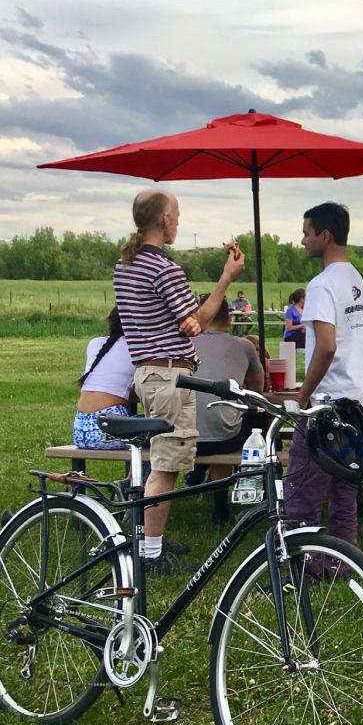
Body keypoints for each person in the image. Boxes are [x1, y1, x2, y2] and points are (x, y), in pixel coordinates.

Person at [112, 189, 243, 574]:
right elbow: (197, 321)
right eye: (177, 214)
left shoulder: (126, 265)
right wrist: (226, 278)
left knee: (163, 461)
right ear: (165, 221)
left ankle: (153, 541)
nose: (179, 221)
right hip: (170, 374)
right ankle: (151, 555)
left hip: (147, 373)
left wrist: (186, 321)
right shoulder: (164, 269)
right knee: (167, 466)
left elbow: (182, 321)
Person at [284, 202, 363, 546]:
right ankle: (342, 564)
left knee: (302, 493)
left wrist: (302, 396)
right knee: (344, 493)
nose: (302, 240)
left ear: (325, 235)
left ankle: (301, 566)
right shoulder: (356, 279)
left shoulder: (321, 285)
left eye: (306, 233)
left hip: (327, 405)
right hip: (359, 402)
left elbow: (326, 346)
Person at [185, 294, 265, 520]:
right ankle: (223, 503)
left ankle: (196, 482)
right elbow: (257, 390)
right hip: (224, 439)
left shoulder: (182, 343)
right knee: (235, 421)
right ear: (229, 319)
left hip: (182, 436)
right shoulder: (245, 346)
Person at [73, 307, 135, 450]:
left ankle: (137, 473)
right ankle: (144, 473)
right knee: (158, 428)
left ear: (109, 323)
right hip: (108, 432)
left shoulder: (95, 344)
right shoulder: (136, 348)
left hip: (80, 431)